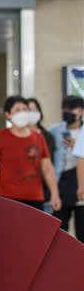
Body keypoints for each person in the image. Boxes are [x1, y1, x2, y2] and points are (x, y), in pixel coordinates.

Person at [0, 96, 62, 212]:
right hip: (7, 198)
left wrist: (55, 194)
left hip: (35, 198)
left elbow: (47, 169)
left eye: (25, 109)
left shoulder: (38, 137)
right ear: (8, 114)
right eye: (17, 110)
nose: (22, 113)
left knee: (33, 230)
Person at [49, 95, 84, 241]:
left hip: (80, 181)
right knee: (59, 229)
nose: (68, 112)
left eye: (73, 108)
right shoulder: (54, 131)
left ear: (81, 111)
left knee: (81, 230)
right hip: (61, 182)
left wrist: (78, 145)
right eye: (66, 108)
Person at [26, 98, 56, 209]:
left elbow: (48, 166)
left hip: (42, 191)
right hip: (20, 190)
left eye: (34, 110)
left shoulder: (47, 137)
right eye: (28, 110)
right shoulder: (16, 136)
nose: (32, 114)